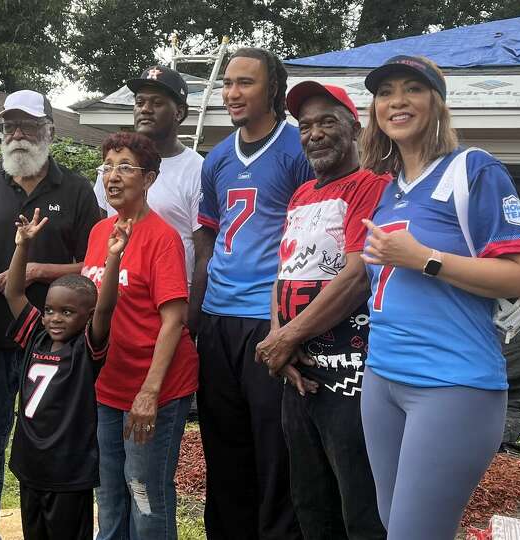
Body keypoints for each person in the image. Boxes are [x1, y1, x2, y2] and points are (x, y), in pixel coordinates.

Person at [357, 55, 520, 539]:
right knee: (391, 523)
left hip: (451, 384)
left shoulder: (472, 169)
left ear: (436, 103)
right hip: (381, 380)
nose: (396, 101)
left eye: (412, 89)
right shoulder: (388, 189)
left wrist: (424, 258)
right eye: (385, 92)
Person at [0, 89, 101, 539]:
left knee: (57, 443)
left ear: (49, 131)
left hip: (59, 349)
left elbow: (92, 264)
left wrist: (41, 268)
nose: (18, 134)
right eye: (9, 126)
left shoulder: (77, 190)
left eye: (28, 126)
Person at [190, 47, 314, 540]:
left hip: (270, 319)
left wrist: (292, 324)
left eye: (245, 82)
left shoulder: (297, 148)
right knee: (223, 446)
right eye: (227, 83)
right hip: (219, 317)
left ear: (273, 90)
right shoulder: (217, 156)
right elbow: (208, 233)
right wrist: (198, 310)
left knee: (275, 449)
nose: (232, 93)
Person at [255, 82, 387, 540]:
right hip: (299, 375)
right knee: (311, 501)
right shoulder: (301, 195)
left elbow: (357, 277)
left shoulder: (373, 186)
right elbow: (284, 274)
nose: (314, 134)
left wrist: (287, 338)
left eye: (327, 121)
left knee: (360, 505)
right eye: (305, 126)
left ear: (354, 127)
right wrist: (280, 342)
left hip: (350, 373)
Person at [80, 132, 198, 539]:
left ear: (149, 179)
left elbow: (174, 320)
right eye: (107, 166)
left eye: (125, 167)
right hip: (107, 387)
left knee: (145, 495)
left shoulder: (162, 238)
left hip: (155, 390)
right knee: (109, 495)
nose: (113, 176)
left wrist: (149, 392)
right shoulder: (101, 234)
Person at [2, 207, 126, 539]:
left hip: (69, 471)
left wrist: (113, 258)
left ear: (85, 317)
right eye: (50, 311)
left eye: (68, 312)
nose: (55, 318)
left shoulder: (87, 348)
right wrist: (22, 246)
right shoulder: (34, 335)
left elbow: (106, 307)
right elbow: (14, 293)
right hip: (31, 465)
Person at [92, 65, 203, 287]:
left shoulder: (198, 169)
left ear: (179, 112)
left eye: (157, 103)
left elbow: (204, 254)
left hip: (168, 302)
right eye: (140, 102)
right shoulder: (111, 170)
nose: (145, 109)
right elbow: (100, 235)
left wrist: (191, 315)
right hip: (114, 298)